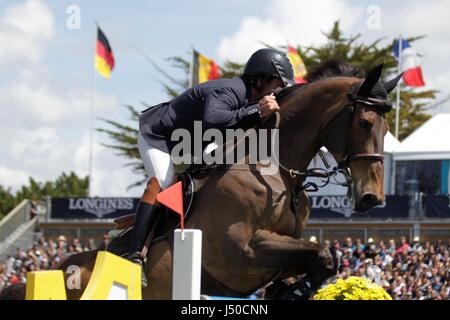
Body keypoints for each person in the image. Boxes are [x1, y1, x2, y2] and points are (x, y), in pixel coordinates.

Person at [127, 48, 296, 287]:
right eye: (277, 85)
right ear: (261, 78)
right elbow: (214, 120)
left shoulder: (250, 99)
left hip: (195, 142)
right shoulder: (229, 90)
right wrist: (257, 111)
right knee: (163, 183)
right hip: (160, 138)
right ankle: (135, 256)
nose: (278, 92)